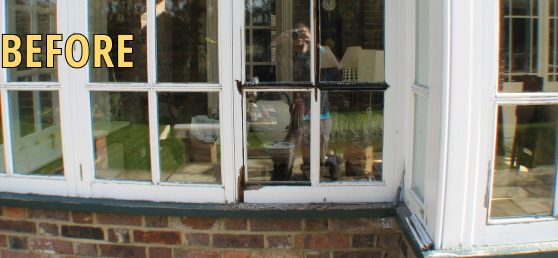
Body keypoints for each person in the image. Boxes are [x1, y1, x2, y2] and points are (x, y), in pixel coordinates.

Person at [268, 23, 339, 181]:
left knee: (316, 165)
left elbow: (337, 68)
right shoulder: (284, 56)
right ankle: (282, 191)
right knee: (285, 163)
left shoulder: (318, 55)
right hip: (292, 118)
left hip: (318, 116)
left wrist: (314, 42)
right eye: (295, 34)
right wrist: (276, 42)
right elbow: (265, 66)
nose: (299, 38)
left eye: (302, 34)